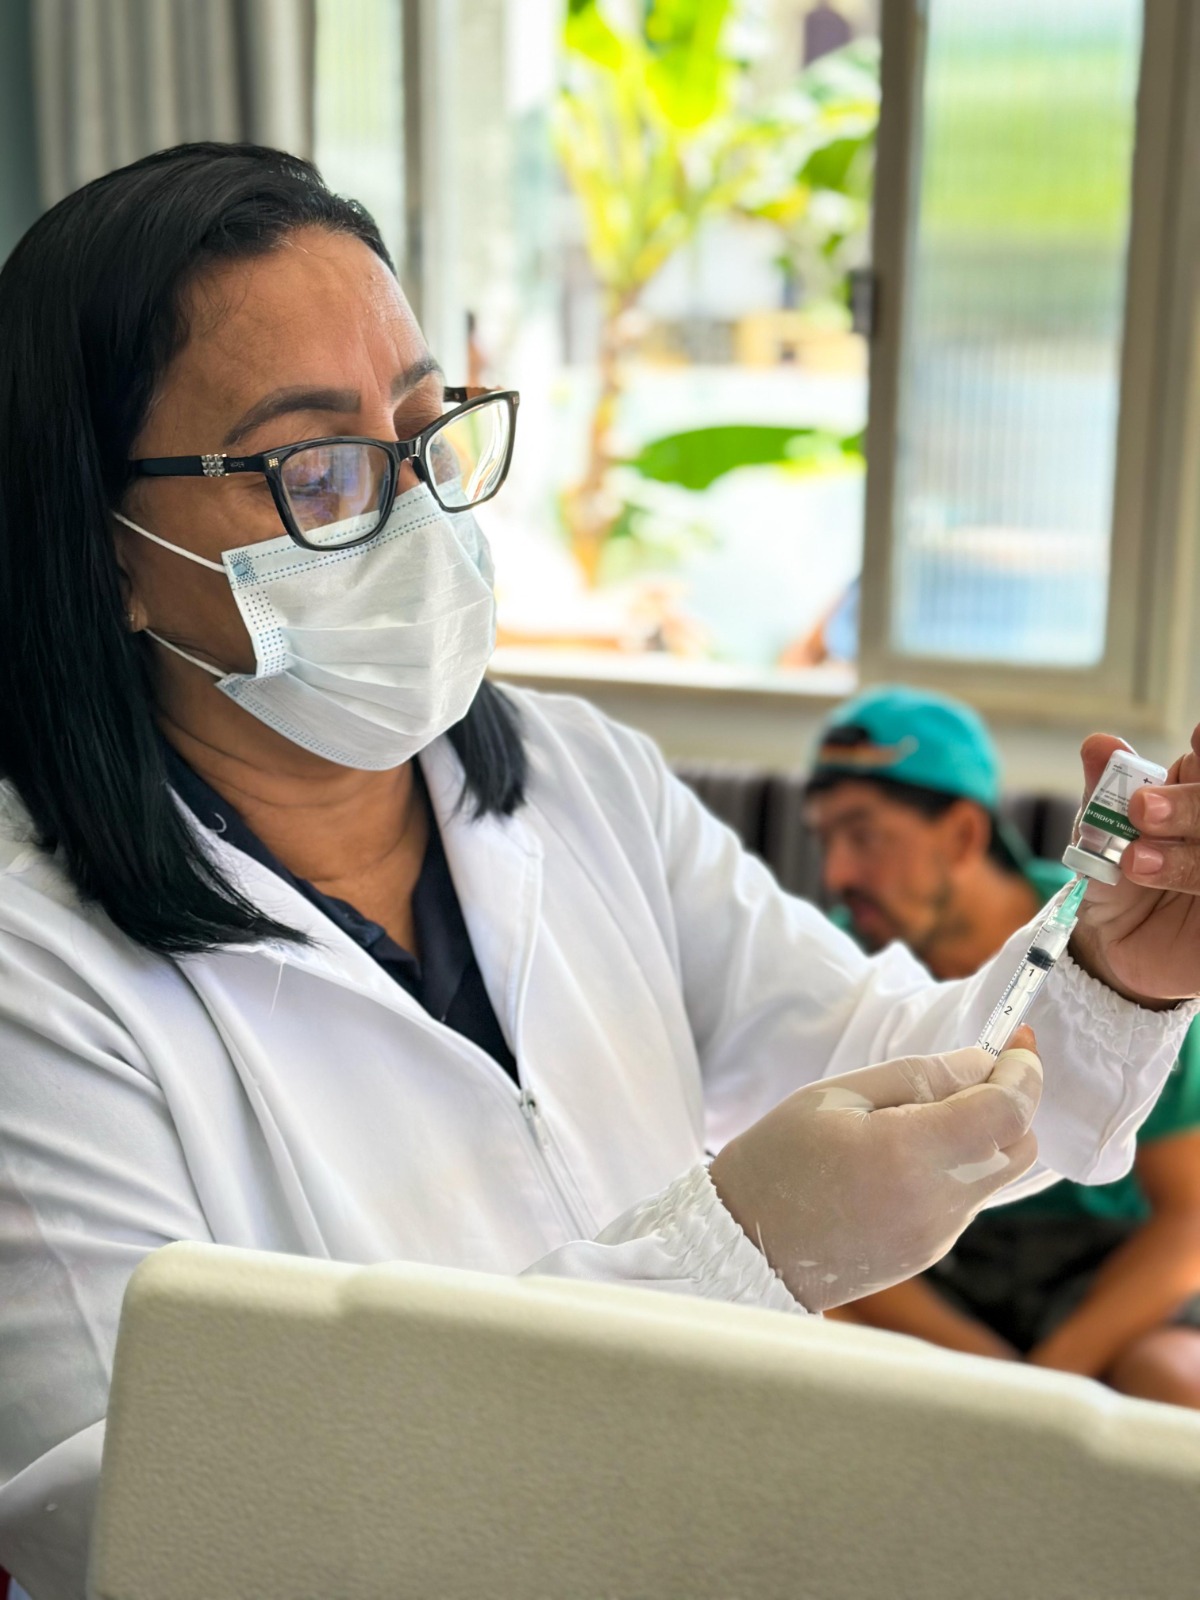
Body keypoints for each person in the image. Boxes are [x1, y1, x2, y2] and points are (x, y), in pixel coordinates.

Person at [1, 146, 1199, 1600]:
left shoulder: (577, 780)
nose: (418, 522)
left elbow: (907, 1065)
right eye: (316, 468)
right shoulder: (33, 973)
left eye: (429, 434)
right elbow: (135, 1520)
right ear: (101, 541)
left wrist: (1118, 967)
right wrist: (732, 1253)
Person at [804, 687, 1200, 1404]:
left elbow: (1189, 1218)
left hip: (1102, 1278)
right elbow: (815, 1220)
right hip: (919, 1275)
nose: (837, 875)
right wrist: (990, 1380)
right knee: (785, 1328)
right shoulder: (833, 960)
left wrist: (1057, 1377)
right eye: (824, 840)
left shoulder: (1118, 945)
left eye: (862, 836)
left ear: (961, 835)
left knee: (1178, 1381)